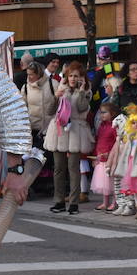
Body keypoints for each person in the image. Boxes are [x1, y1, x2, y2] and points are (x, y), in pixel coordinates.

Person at [44, 59, 93, 214]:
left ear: (81, 77)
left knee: (73, 168)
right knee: (58, 168)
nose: (73, 78)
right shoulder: (61, 88)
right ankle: (58, 201)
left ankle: (74, 203)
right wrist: (56, 97)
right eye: (70, 75)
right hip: (59, 130)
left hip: (76, 130)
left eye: (76, 76)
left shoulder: (86, 91)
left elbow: (81, 107)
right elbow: (50, 111)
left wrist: (81, 92)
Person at [21, 57, 56, 150]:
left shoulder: (53, 84)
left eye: (31, 74)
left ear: (39, 74)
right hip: (33, 132)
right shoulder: (25, 88)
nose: (29, 77)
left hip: (51, 130)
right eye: (27, 74)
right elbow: (22, 111)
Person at [90, 102, 118, 210]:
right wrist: (95, 156)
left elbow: (117, 142)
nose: (101, 115)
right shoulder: (101, 126)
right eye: (101, 113)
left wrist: (111, 153)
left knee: (111, 182)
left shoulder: (114, 127)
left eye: (104, 112)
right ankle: (105, 202)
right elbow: (98, 141)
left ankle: (115, 202)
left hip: (110, 159)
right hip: (101, 158)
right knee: (104, 183)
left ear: (112, 113)